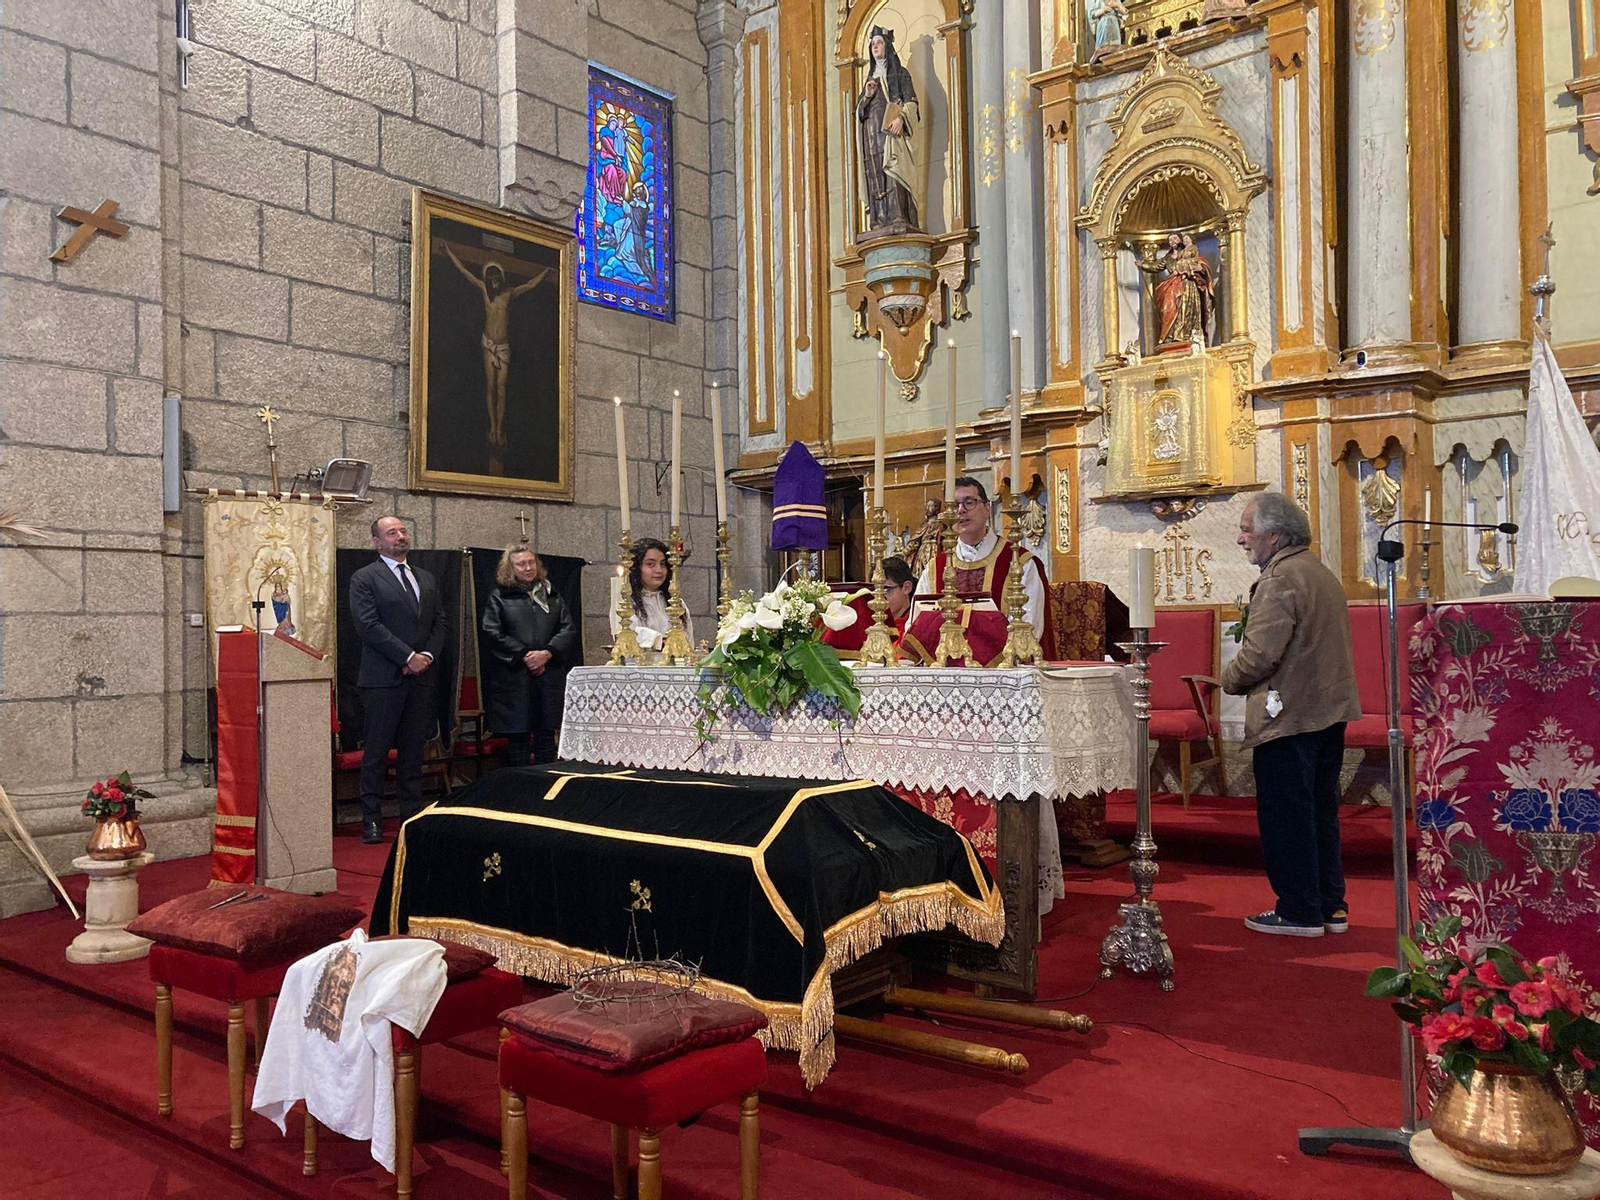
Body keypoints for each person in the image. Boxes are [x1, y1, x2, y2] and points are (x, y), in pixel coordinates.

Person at [1222, 493, 1361, 938]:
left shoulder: (1280, 579)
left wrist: (1227, 678)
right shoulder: (1319, 572)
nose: (1242, 539)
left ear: (1274, 535)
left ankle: (1299, 911)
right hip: (1327, 712)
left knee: (1286, 815)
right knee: (1320, 811)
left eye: (1248, 529)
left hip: (1290, 717)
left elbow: (1260, 655)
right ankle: (1329, 906)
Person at [348, 516, 448, 844]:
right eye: (392, 533)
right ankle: (372, 819)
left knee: (412, 751)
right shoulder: (365, 578)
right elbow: (368, 625)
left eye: (403, 531)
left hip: (421, 679)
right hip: (382, 679)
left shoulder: (426, 578)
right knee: (376, 753)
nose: (400, 537)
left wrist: (426, 658)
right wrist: (407, 657)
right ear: (377, 542)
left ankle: (410, 813)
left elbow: (440, 623)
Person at [903, 477, 1053, 664]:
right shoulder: (936, 566)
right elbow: (916, 623)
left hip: (1003, 673)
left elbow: (1030, 626)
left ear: (987, 508)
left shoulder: (1018, 562)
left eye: (969, 502)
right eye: (953, 505)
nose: (961, 510)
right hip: (943, 671)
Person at [440, 244, 552, 450]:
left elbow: (529, 285)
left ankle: (500, 428)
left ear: (501, 278)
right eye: (490, 278)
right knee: (490, 385)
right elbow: (465, 272)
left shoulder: (508, 295)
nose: (493, 282)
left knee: (501, 389)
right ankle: (492, 427)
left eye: (496, 278)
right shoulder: (484, 291)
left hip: (502, 346)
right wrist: (448, 252)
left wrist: (546, 272)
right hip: (488, 343)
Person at [481, 545, 579, 766]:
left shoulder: (551, 595)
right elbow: (491, 632)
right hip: (515, 678)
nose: (528, 568)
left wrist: (547, 654)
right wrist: (525, 655)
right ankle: (521, 790)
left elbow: (567, 629)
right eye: (521, 564)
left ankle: (546, 789)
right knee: (519, 739)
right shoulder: (500, 597)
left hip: (548, 675)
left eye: (531, 562)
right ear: (511, 568)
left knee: (546, 737)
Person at [855, 26, 920, 232]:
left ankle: (899, 215)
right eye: (872, 44)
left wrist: (901, 118)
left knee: (893, 171)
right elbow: (859, 114)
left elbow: (912, 102)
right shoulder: (870, 79)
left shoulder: (900, 73)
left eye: (879, 42)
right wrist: (866, 96)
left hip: (892, 136)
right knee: (875, 174)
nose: (875, 46)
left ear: (888, 46)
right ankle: (879, 218)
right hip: (872, 137)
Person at [820, 556, 916, 658]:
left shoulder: (916, 624)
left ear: (906, 587)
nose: (879, 598)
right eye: (874, 591)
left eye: (885, 590)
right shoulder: (868, 624)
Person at [610, 536, 694, 652]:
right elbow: (627, 634)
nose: (659, 570)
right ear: (637, 567)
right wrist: (659, 640)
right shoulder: (626, 603)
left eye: (663, 564)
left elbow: (688, 640)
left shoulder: (677, 603)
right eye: (650, 564)